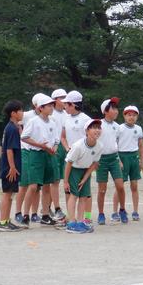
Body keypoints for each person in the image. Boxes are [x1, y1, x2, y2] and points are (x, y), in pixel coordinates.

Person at [20, 94, 58, 227]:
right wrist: (39, 145)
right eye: (49, 105)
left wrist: (54, 148)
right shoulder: (33, 121)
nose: (52, 107)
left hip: (49, 155)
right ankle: (26, 215)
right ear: (41, 108)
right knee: (33, 186)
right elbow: (24, 137)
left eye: (52, 105)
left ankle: (45, 215)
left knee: (47, 185)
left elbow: (56, 139)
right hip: (36, 155)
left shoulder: (53, 122)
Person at [64, 119, 103, 234]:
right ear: (87, 131)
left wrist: (85, 178)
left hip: (86, 170)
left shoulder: (100, 146)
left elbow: (95, 164)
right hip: (73, 170)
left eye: (98, 128)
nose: (97, 130)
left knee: (84, 197)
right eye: (94, 127)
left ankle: (80, 222)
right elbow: (69, 163)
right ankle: (71, 223)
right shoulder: (78, 146)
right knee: (74, 195)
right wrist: (66, 181)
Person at [61, 90, 93, 228]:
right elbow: (62, 136)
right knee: (69, 190)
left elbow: (91, 139)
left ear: (72, 104)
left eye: (66, 104)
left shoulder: (86, 119)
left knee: (84, 192)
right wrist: (67, 147)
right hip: (70, 159)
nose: (64, 107)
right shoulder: (65, 118)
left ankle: (84, 218)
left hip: (84, 160)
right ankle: (71, 218)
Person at [15, 93, 46, 228]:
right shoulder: (27, 115)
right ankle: (18, 212)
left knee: (37, 185)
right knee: (25, 184)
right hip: (26, 151)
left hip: (38, 152)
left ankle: (34, 213)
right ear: (35, 105)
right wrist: (22, 135)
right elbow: (17, 123)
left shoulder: (45, 118)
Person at [96, 97, 128, 225]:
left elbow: (117, 144)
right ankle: (101, 213)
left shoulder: (117, 127)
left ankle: (122, 210)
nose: (116, 111)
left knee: (120, 186)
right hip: (101, 159)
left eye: (116, 109)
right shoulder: (98, 125)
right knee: (102, 189)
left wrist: (119, 159)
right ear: (105, 111)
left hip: (114, 158)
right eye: (113, 109)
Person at [0, 100, 24, 231]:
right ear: (13, 113)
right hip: (9, 168)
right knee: (7, 194)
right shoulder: (11, 128)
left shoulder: (13, 127)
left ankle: (7, 220)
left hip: (12, 166)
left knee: (11, 194)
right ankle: (2, 222)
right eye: (20, 110)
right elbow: (8, 149)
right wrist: (12, 167)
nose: (22, 112)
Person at [114, 105, 143, 221]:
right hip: (122, 156)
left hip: (134, 157)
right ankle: (115, 211)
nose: (132, 117)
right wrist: (118, 160)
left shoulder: (139, 128)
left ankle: (135, 211)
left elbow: (141, 146)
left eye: (134, 115)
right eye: (129, 115)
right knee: (119, 186)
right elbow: (114, 145)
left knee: (134, 185)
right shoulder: (119, 128)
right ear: (125, 116)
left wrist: (141, 161)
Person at [47, 88, 68, 223]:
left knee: (61, 179)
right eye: (62, 98)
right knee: (54, 180)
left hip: (66, 147)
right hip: (54, 147)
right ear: (55, 100)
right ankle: (57, 208)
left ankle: (47, 208)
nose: (65, 100)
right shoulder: (50, 114)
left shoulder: (67, 113)